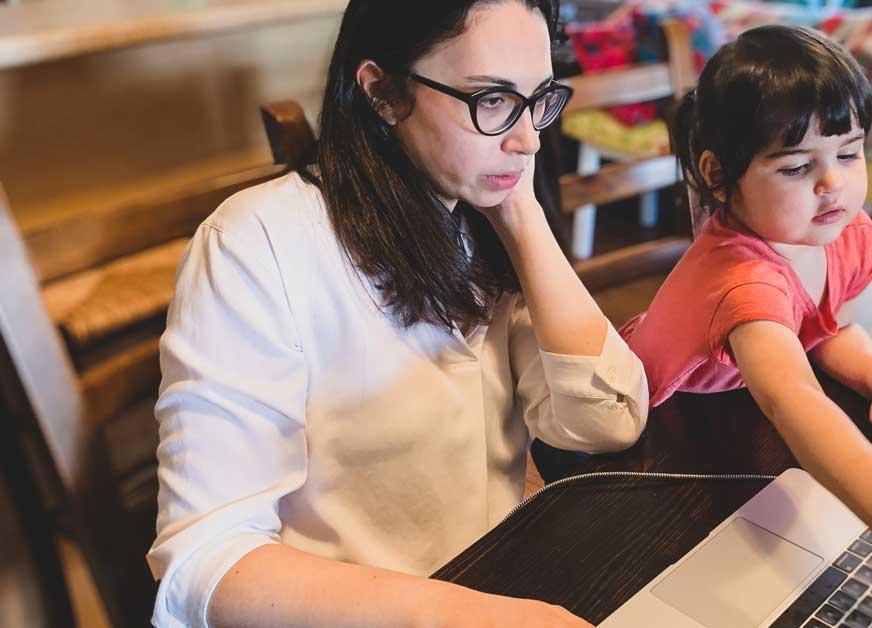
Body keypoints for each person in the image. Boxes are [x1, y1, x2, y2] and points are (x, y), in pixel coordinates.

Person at [146, 2, 648, 626]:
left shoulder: (477, 210)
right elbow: (204, 563)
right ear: (383, 92)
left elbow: (604, 421)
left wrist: (522, 216)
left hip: (495, 576)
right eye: (491, 99)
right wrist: (467, 618)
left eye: (538, 98)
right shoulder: (257, 243)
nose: (530, 139)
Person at [620, 25, 872, 609]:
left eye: (848, 152)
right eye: (797, 167)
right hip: (652, 439)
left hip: (731, 404)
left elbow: (820, 331)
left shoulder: (836, 235)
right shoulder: (743, 283)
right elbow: (791, 395)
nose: (833, 184)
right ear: (719, 176)